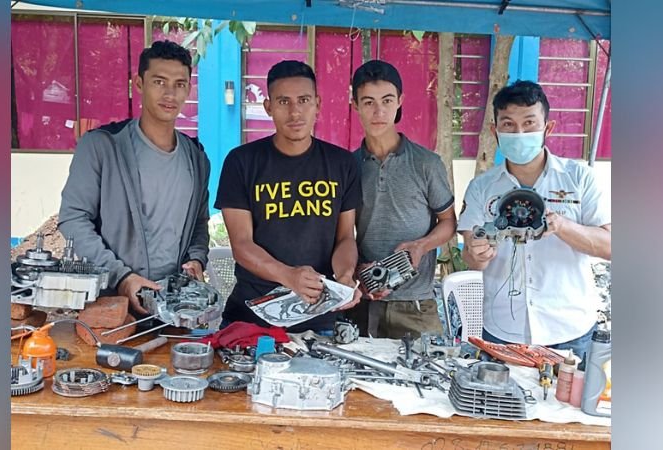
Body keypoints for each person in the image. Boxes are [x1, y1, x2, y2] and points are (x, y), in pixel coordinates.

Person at [457, 80, 611, 360]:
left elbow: (611, 246)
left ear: (547, 128)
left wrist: (563, 226)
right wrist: (478, 252)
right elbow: (471, 255)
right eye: (508, 125)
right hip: (502, 330)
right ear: (495, 131)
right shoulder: (482, 187)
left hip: (568, 330)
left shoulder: (579, 178)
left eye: (529, 123)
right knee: (499, 404)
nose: (519, 132)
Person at [58, 40, 211, 316]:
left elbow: (199, 224)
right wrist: (122, 278)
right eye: (159, 81)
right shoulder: (103, 146)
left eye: (179, 84)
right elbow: (73, 219)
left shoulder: (196, 158)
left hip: (174, 309)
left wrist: (196, 260)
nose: (170, 93)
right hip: (112, 308)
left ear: (188, 89)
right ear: (138, 84)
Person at [215, 60, 362, 333]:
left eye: (304, 100)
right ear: (268, 107)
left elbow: (344, 238)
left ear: (317, 104)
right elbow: (242, 245)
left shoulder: (342, 163)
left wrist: (344, 276)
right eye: (283, 101)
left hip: (320, 318)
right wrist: (288, 276)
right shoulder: (242, 162)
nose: (295, 112)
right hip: (250, 318)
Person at [348, 60, 457, 339]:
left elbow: (448, 222)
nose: (379, 111)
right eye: (368, 102)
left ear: (400, 101)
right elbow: (340, 232)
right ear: (355, 105)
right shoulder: (348, 166)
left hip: (416, 305)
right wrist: (354, 270)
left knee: (429, 376)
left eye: (387, 100)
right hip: (362, 299)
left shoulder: (427, 163)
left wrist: (421, 246)